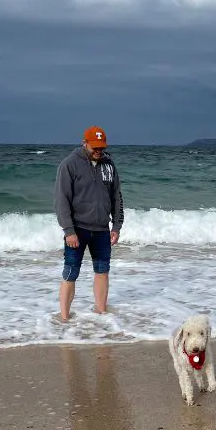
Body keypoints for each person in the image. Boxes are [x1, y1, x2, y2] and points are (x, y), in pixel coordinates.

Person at [54, 126, 124, 321]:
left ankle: (101, 314)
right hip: (77, 229)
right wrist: (69, 231)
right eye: (95, 147)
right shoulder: (69, 164)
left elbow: (117, 197)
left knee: (102, 271)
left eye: (101, 147)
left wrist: (116, 226)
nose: (98, 151)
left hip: (102, 229)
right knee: (70, 273)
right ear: (84, 143)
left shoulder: (109, 165)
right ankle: (65, 318)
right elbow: (61, 201)